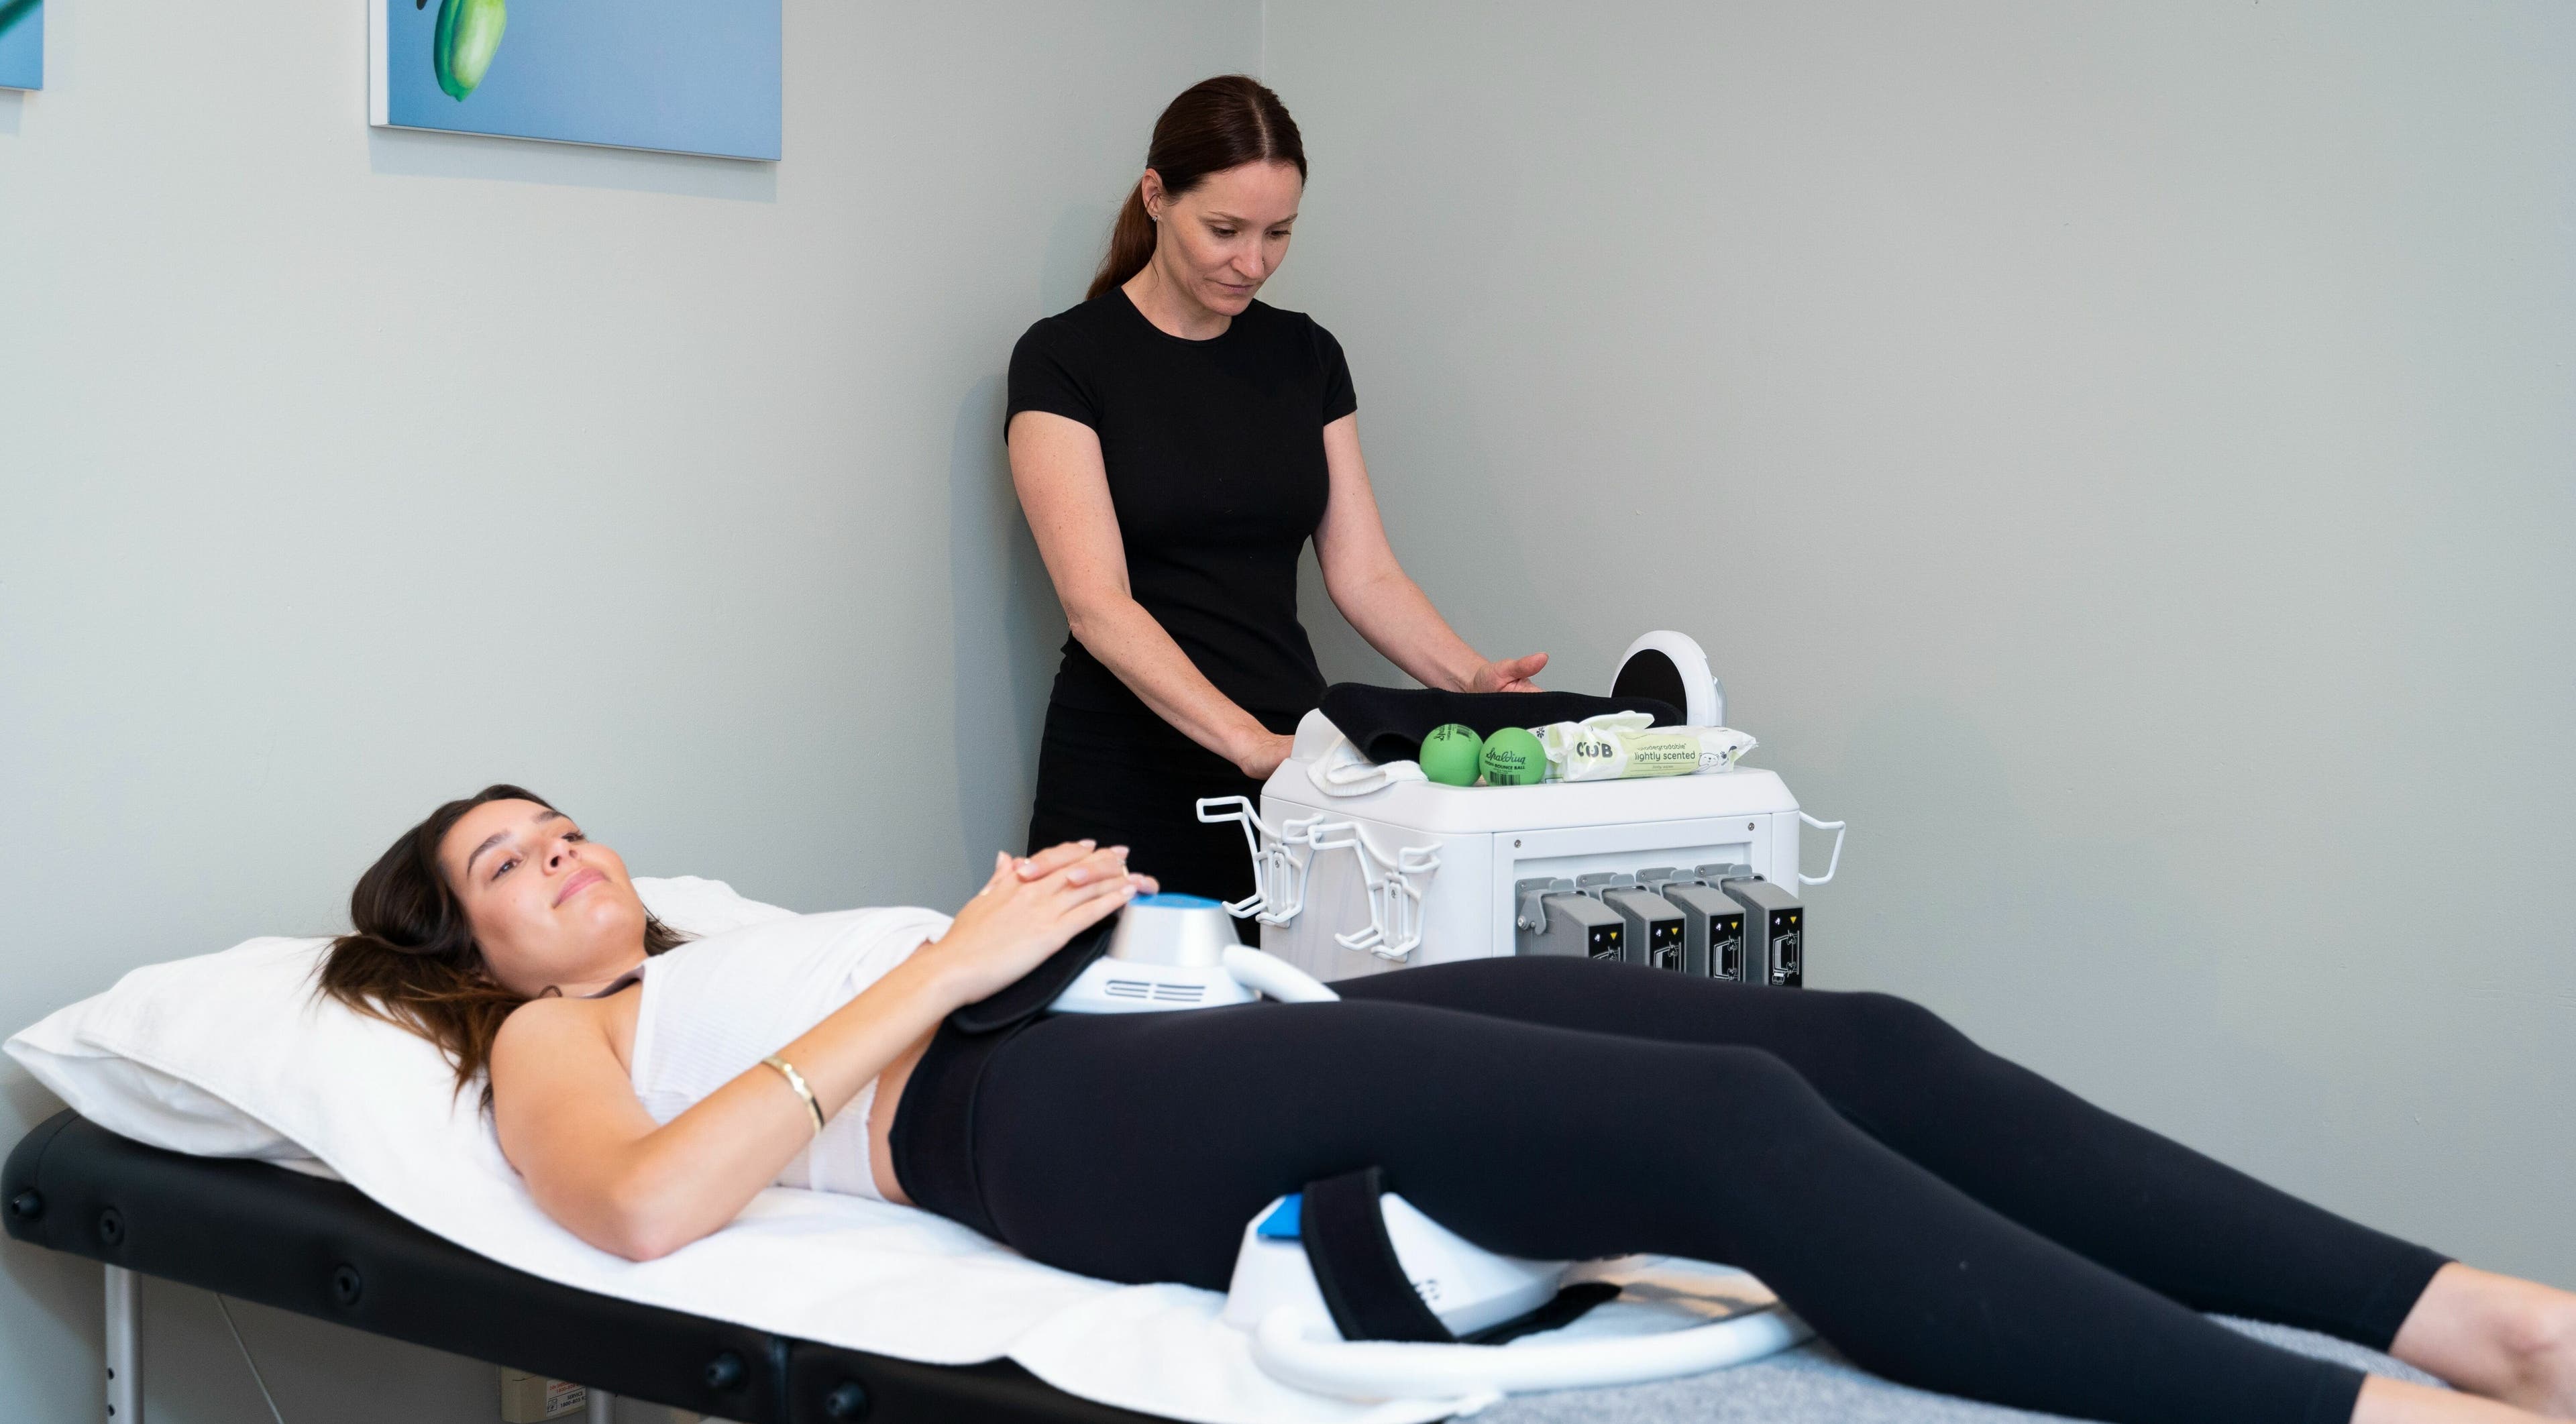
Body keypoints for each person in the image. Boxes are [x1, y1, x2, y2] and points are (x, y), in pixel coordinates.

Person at [322, 785, 2576, 1424]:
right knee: (1736, 1153)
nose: (568, 858)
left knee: (1858, 1044)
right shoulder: (552, 1037)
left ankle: (2470, 1312)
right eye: (505, 866)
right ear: (465, 948)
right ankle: (2366, 1417)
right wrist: (955, 960)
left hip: (1137, 1010)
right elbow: (632, 1212)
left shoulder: (701, 935)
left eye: (563, 823)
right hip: (1016, 1107)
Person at [1007, 75, 1545, 910]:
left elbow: (1363, 573)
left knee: (1288, 1029)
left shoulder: (1306, 356)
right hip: (1126, 774)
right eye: (1224, 230)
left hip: (1293, 777)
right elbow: (1097, 604)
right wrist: (1249, 744)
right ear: (1156, 196)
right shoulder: (1064, 360)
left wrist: (1476, 681)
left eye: (1278, 233)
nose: (1252, 262)